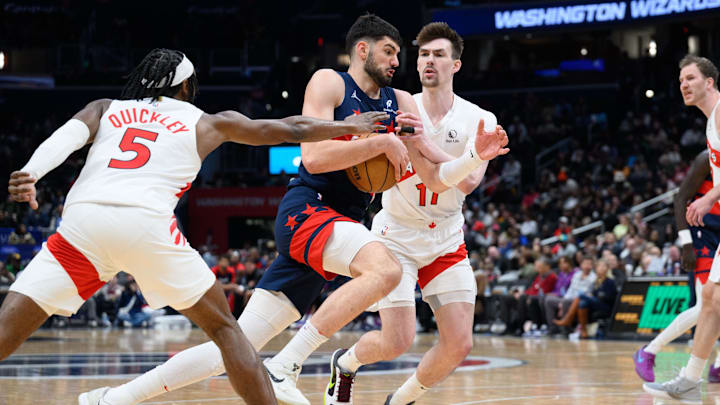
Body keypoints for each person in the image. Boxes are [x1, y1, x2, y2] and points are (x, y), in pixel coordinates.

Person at [82, 16, 507, 405]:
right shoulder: (331, 83)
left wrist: (473, 156)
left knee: (231, 347)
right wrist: (379, 142)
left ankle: (113, 399)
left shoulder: (402, 102)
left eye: (399, 53)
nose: (399, 61)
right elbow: (315, 157)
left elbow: (434, 176)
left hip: (341, 224)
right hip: (308, 209)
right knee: (387, 270)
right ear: (363, 50)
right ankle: (286, 364)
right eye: (389, 51)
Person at [0, 47, 387, 405]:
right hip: (146, 224)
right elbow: (290, 130)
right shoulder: (206, 122)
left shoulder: (107, 107)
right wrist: (348, 126)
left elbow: (65, 137)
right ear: (186, 86)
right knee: (226, 331)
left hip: (83, 223)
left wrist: (31, 172)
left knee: (8, 330)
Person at [326, 22, 507, 405]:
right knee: (396, 341)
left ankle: (402, 399)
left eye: (438, 54)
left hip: (445, 237)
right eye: (424, 54)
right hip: (397, 236)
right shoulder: (397, 109)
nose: (429, 60)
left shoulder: (480, 119)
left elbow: (471, 181)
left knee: (459, 343)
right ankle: (346, 363)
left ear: (455, 65)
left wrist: (427, 144)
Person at [644, 55, 720, 403]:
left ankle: (673, 365)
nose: (684, 85)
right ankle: (690, 378)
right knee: (710, 298)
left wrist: (707, 201)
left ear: (710, 82)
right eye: (680, 81)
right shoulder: (710, 126)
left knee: (712, 299)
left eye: (690, 78)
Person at [634, 150, 720, 382]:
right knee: (706, 306)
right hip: (703, 232)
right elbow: (680, 198)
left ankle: (718, 366)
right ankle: (649, 351)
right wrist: (686, 244)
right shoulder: (706, 157)